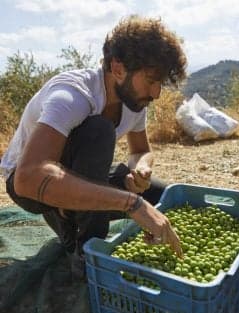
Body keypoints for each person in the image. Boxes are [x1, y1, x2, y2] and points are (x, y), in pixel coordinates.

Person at [0, 15, 187, 278]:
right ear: (118, 68)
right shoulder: (73, 95)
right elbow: (27, 178)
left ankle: (68, 210)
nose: (156, 93)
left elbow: (140, 150)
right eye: (151, 80)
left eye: (160, 83)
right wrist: (133, 204)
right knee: (99, 131)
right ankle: (84, 246)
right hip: (26, 182)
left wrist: (140, 169)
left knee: (165, 196)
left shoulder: (134, 99)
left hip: (79, 170)